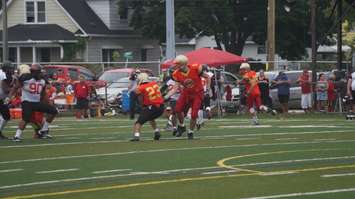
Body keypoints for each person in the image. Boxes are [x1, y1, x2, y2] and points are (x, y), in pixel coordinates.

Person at [164, 55, 211, 139]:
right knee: (177, 109)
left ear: (183, 64)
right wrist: (166, 96)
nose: (175, 65)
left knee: (193, 114)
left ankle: (190, 131)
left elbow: (207, 77)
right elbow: (175, 88)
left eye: (177, 64)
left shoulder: (195, 69)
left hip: (197, 93)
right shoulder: (176, 73)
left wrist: (207, 89)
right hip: (186, 93)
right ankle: (182, 126)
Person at [13, 64, 58, 142]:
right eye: (39, 72)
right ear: (34, 72)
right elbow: (15, 87)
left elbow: (43, 94)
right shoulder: (25, 78)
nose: (41, 74)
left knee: (54, 111)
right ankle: (17, 136)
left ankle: (43, 130)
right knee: (26, 118)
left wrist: (49, 102)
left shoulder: (42, 80)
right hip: (27, 102)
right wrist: (9, 97)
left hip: (36, 102)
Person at [130, 73, 164, 141]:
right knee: (151, 118)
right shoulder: (154, 84)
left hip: (152, 107)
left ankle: (136, 136)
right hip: (161, 107)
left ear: (141, 79)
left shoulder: (141, 87)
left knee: (138, 122)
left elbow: (133, 97)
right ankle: (157, 132)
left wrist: (132, 111)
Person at [0, 61, 15, 139]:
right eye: (10, 68)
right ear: (6, 68)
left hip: (1, 99)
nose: (12, 70)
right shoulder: (3, 74)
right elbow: (5, 89)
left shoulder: (5, 74)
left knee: (6, 116)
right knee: (6, 116)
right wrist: (14, 88)